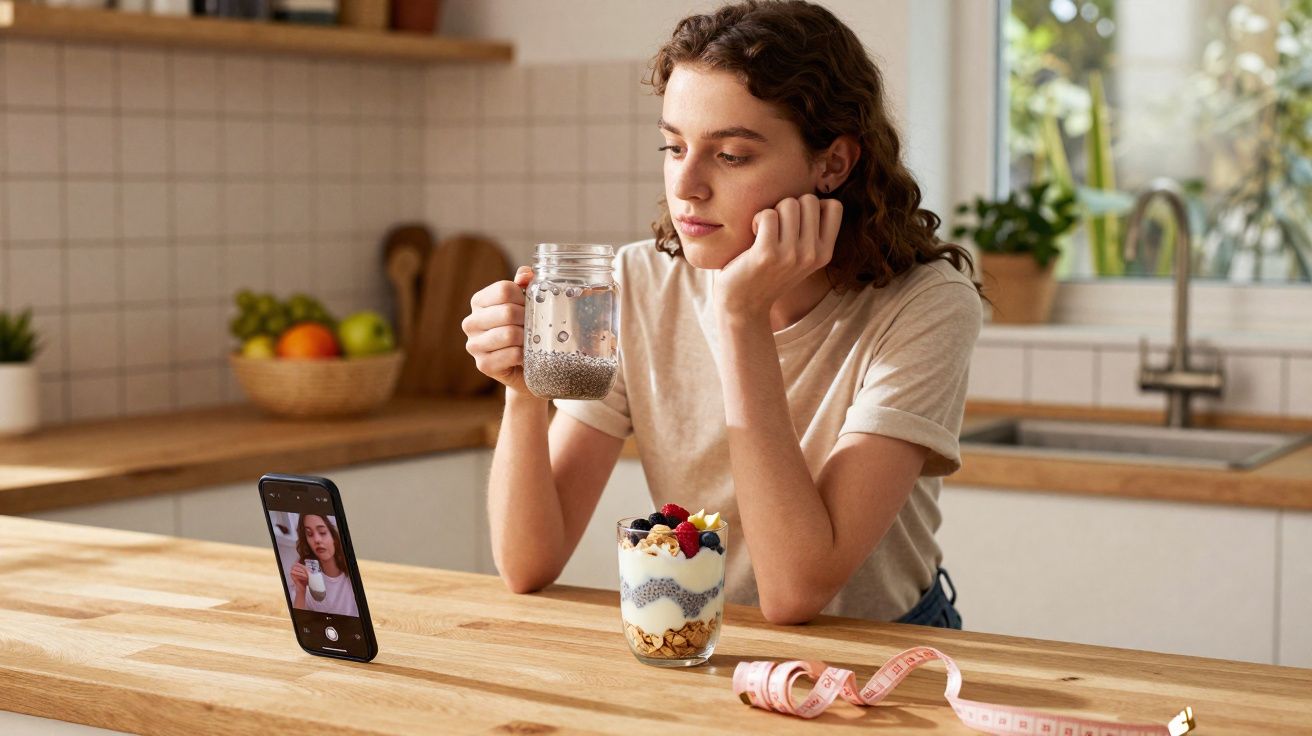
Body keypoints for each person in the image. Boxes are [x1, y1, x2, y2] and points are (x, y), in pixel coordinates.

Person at [462, 0, 982, 627]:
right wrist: (524, 393)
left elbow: (794, 592)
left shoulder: (925, 303)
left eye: (731, 155)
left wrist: (740, 317)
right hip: (699, 639)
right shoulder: (639, 282)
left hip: (882, 652)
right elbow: (528, 564)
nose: (686, 185)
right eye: (673, 145)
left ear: (832, 164)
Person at [289, 513, 359, 617]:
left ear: (334, 537)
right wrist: (301, 591)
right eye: (309, 534)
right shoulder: (307, 581)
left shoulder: (352, 575)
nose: (317, 540)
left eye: (322, 532)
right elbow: (301, 622)